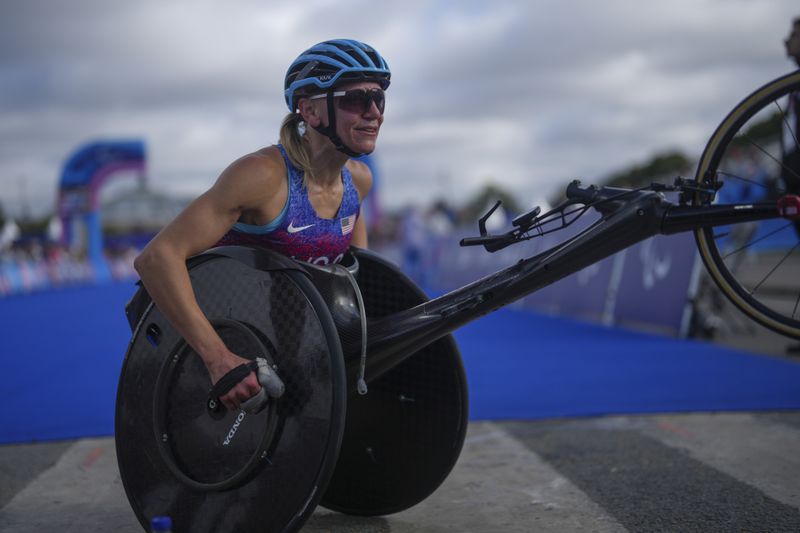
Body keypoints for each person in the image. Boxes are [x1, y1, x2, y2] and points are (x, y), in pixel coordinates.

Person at [134, 39, 391, 411]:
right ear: (310, 110)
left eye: (378, 99)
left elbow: (356, 281)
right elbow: (157, 258)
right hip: (221, 344)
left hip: (297, 349)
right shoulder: (262, 176)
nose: (373, 113)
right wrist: (218, 359)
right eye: (355, 100)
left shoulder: (359, 181)